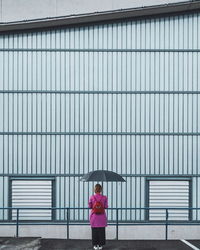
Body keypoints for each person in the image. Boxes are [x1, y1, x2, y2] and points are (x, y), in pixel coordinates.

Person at [88, 184, 108, 250]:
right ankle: (100, 245)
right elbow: (106, 206)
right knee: (101, 231)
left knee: (94, 231)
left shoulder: (92, 197)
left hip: (94, 217)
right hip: (102, 217)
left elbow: (89, 206)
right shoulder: (104, 197)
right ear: (101, 190)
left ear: (95, 189)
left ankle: (95, 245)